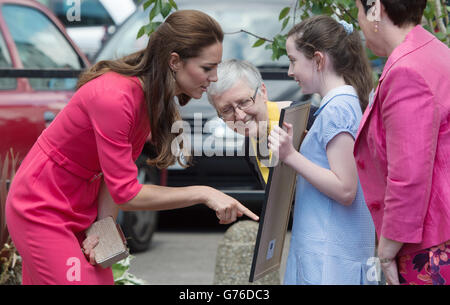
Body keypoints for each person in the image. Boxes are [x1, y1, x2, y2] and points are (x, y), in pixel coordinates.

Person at [5, 10, 258, 285]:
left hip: (80, 205)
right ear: (174, 61)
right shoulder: (115, 98)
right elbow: (126, 193)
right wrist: (203, 193)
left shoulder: (149, 96)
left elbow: (113, 177)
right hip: (41, 207)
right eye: (207, 68)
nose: (214, 77)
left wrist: (103, 229)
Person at [268, 15, 376, 284]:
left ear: (318, 60)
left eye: (293, 61)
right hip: (330, 256)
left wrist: (290, 155)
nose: (290, 72)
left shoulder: (338, 108)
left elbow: (345, 188)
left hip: (328, 260)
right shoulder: (344, 104)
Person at [353, 0, 450, 285]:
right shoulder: (433, 51)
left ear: (375, 9)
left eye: (359, 10)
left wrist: (386, 249)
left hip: (428, 245)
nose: (359, 21)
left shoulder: (406, 70)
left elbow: (409, 174)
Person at [207, 59, 317, 187]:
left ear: (263, 92)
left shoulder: (308, 119)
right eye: (226, 110)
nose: (240, 116)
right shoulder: (249, 146)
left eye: (244, 102)